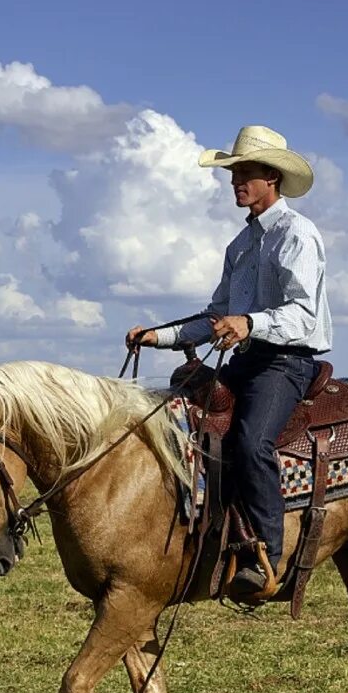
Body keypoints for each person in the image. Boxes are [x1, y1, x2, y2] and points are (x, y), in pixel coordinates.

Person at [126, 125, 332, 596]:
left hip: (286, 363)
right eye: (233, 172)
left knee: (251, 442)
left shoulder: (297, 235)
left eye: (246, 172)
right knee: (179, 421)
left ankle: (266, 557)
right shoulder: (240, 245)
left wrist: (250, 324)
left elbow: (303, 315)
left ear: (272, 178)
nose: (236, 180)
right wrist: (157, 336)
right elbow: (216, 315)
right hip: (246, 358)